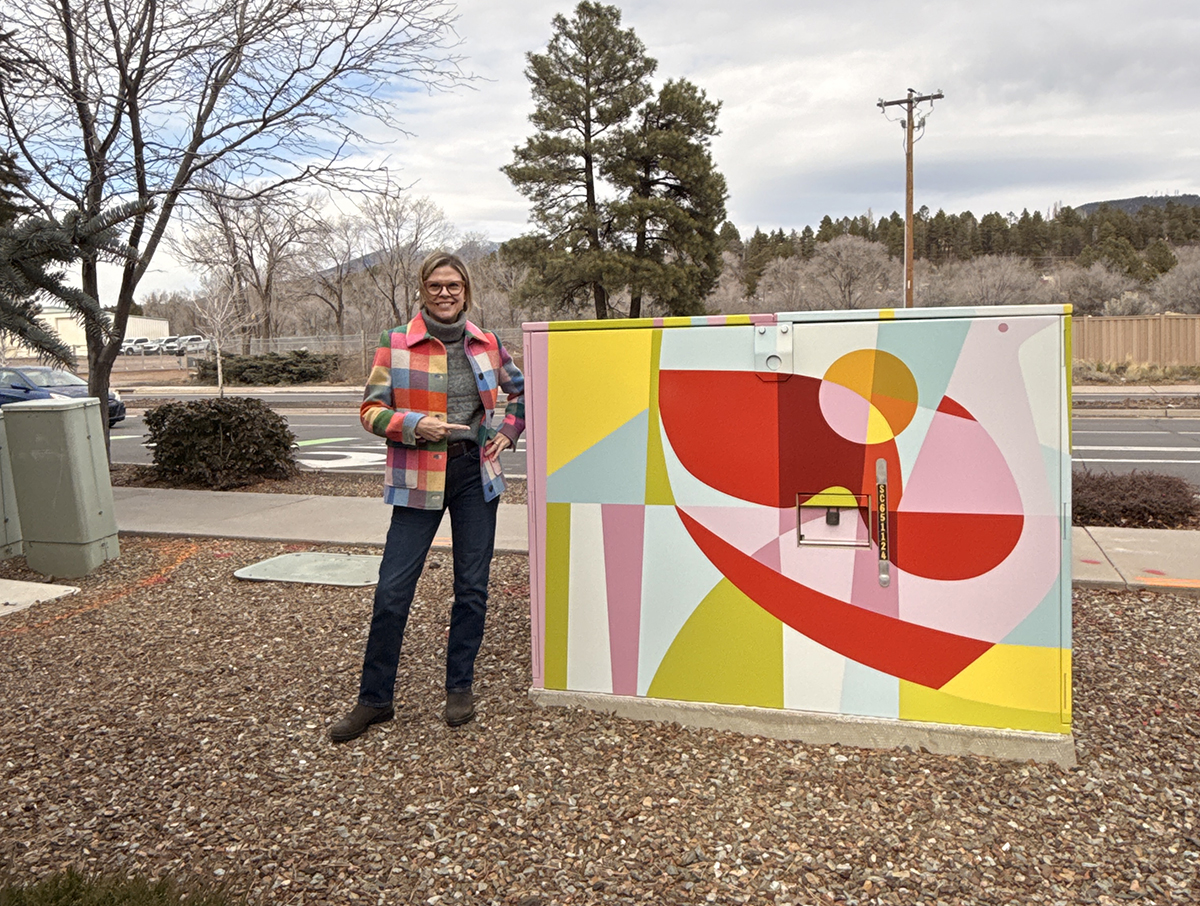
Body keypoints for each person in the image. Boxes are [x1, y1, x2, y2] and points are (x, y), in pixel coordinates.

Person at [330, 251, 525, 742]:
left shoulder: (487, 343)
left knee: (472, 587)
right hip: (417, 476)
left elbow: (525, 391)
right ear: (423, 289)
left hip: (474, 476)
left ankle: (459, 687)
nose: (445, 293)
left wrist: (509, 430)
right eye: (436, 285)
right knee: (393, 590)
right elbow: (371, 411)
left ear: (466, 291)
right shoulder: (395, 343)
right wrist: (415, 425)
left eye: (454, 285)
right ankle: (374, 700)